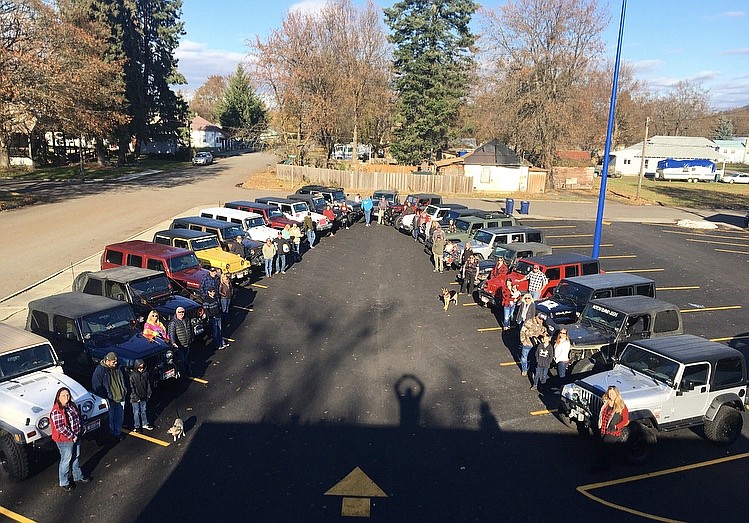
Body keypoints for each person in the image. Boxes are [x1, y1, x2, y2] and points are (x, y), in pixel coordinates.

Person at [50, 387, 90, 490]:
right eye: (63, 395)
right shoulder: (57, 411)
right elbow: (60, 427)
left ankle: (78, 476)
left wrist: (82, 428)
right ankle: (64, 482)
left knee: (76, 456)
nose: (66, 397)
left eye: (67, 395)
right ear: (58, 397)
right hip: (65, 440)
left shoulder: (71, 405)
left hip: (76, 436)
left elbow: (78, 417)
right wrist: (72, 436)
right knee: (66, 460)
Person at [91, 352, 127, 441]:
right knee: (110, 419)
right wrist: (104, 397)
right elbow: (96, 385)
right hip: (110, 399)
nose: (115, 364)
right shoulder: (100, 370)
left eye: (116, 362)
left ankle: (117, 432)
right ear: (107, 361)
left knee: (119, 417)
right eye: (113, 362)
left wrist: (125, 390)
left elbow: (124, 380)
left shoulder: (119, 368)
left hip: (120, 397)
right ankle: (111, 434)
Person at [593, 386, 630, 471]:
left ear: (617, 394)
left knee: (604, 447)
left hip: (613, 431)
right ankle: (606, 465)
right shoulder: (605, 402)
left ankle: (600, 467)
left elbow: (625, 420)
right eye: (609, 393)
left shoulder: (621, 406)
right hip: (603, 428)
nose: (611, 395)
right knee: (604, 448)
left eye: (613, 393)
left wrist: (617, 426)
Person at [168, 307, 194, 376]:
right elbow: (171, 333)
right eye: (179, 312)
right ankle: (183, 374)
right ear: (176, 313)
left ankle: (187, 372)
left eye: (182, 312)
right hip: (179, 345)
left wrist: (192, 338)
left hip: (187, 343)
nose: (181, 313)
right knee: (181, 360)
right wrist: (173, 342)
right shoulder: (173, 323)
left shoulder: (187, 319)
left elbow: (191, 329)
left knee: (186, 358)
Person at [129, 359, 153, 433]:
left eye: (142, 368)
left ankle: (144, 423)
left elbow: (148, 384)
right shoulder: (132, 376)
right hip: (135, 397)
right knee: (136, 412)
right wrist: (136, 397)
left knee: (143, 410)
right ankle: (137, 426)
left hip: (144, 396)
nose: (141, 369)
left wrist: (149, 393)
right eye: (139, 368)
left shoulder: (145, 374)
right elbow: (131, 388)